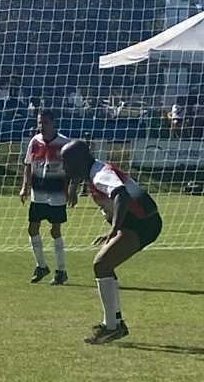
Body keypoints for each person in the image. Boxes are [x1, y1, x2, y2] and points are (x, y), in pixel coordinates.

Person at [59, 139, 163, 345]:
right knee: (105, 265)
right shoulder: (94, 170)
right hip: (140, 221)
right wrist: (73, 185)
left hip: (142, 223)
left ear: (80, 160)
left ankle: (112, 326)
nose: (64, 167)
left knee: (101, 264)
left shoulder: (100, 175)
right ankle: (114, 323)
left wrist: (114, 229)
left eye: (67, 162)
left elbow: (120, 194)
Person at [19, 107, 75, 284]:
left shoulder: (64, 144)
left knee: (55, 230)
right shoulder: (34, 142)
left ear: (53, 123)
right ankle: (41, 266)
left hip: (57, 193)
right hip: (38, 192)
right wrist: (24, 187)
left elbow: (74, 169)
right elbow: (28, 165)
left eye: (45, 123)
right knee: (32, 228)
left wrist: (73, 189)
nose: (41, 126)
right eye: (39, 123)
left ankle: (61, 270)